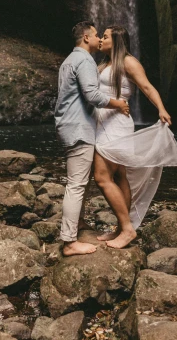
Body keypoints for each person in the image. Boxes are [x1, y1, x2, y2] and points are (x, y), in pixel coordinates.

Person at [94, 24, 177, 249]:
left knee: (102, 177)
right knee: (120, 176)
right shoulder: (105, 64)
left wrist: (161, 108)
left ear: (118, 41)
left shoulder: (129, 62)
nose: (100, 40)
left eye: (104, 37)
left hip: (116, 125)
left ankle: (127, 229)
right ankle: (122, 228)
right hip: (101, 123)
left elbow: (147, 87)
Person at [55, 21, 130, 256]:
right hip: (79, 128)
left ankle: (78, 225)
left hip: (69, 126)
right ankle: (69, 242)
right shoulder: (85, 60)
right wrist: (118, 103)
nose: (99, 38)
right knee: (76, 185)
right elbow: (92, 95)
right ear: (86, 37)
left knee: (80, 182)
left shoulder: (69, 60)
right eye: (97, 34)